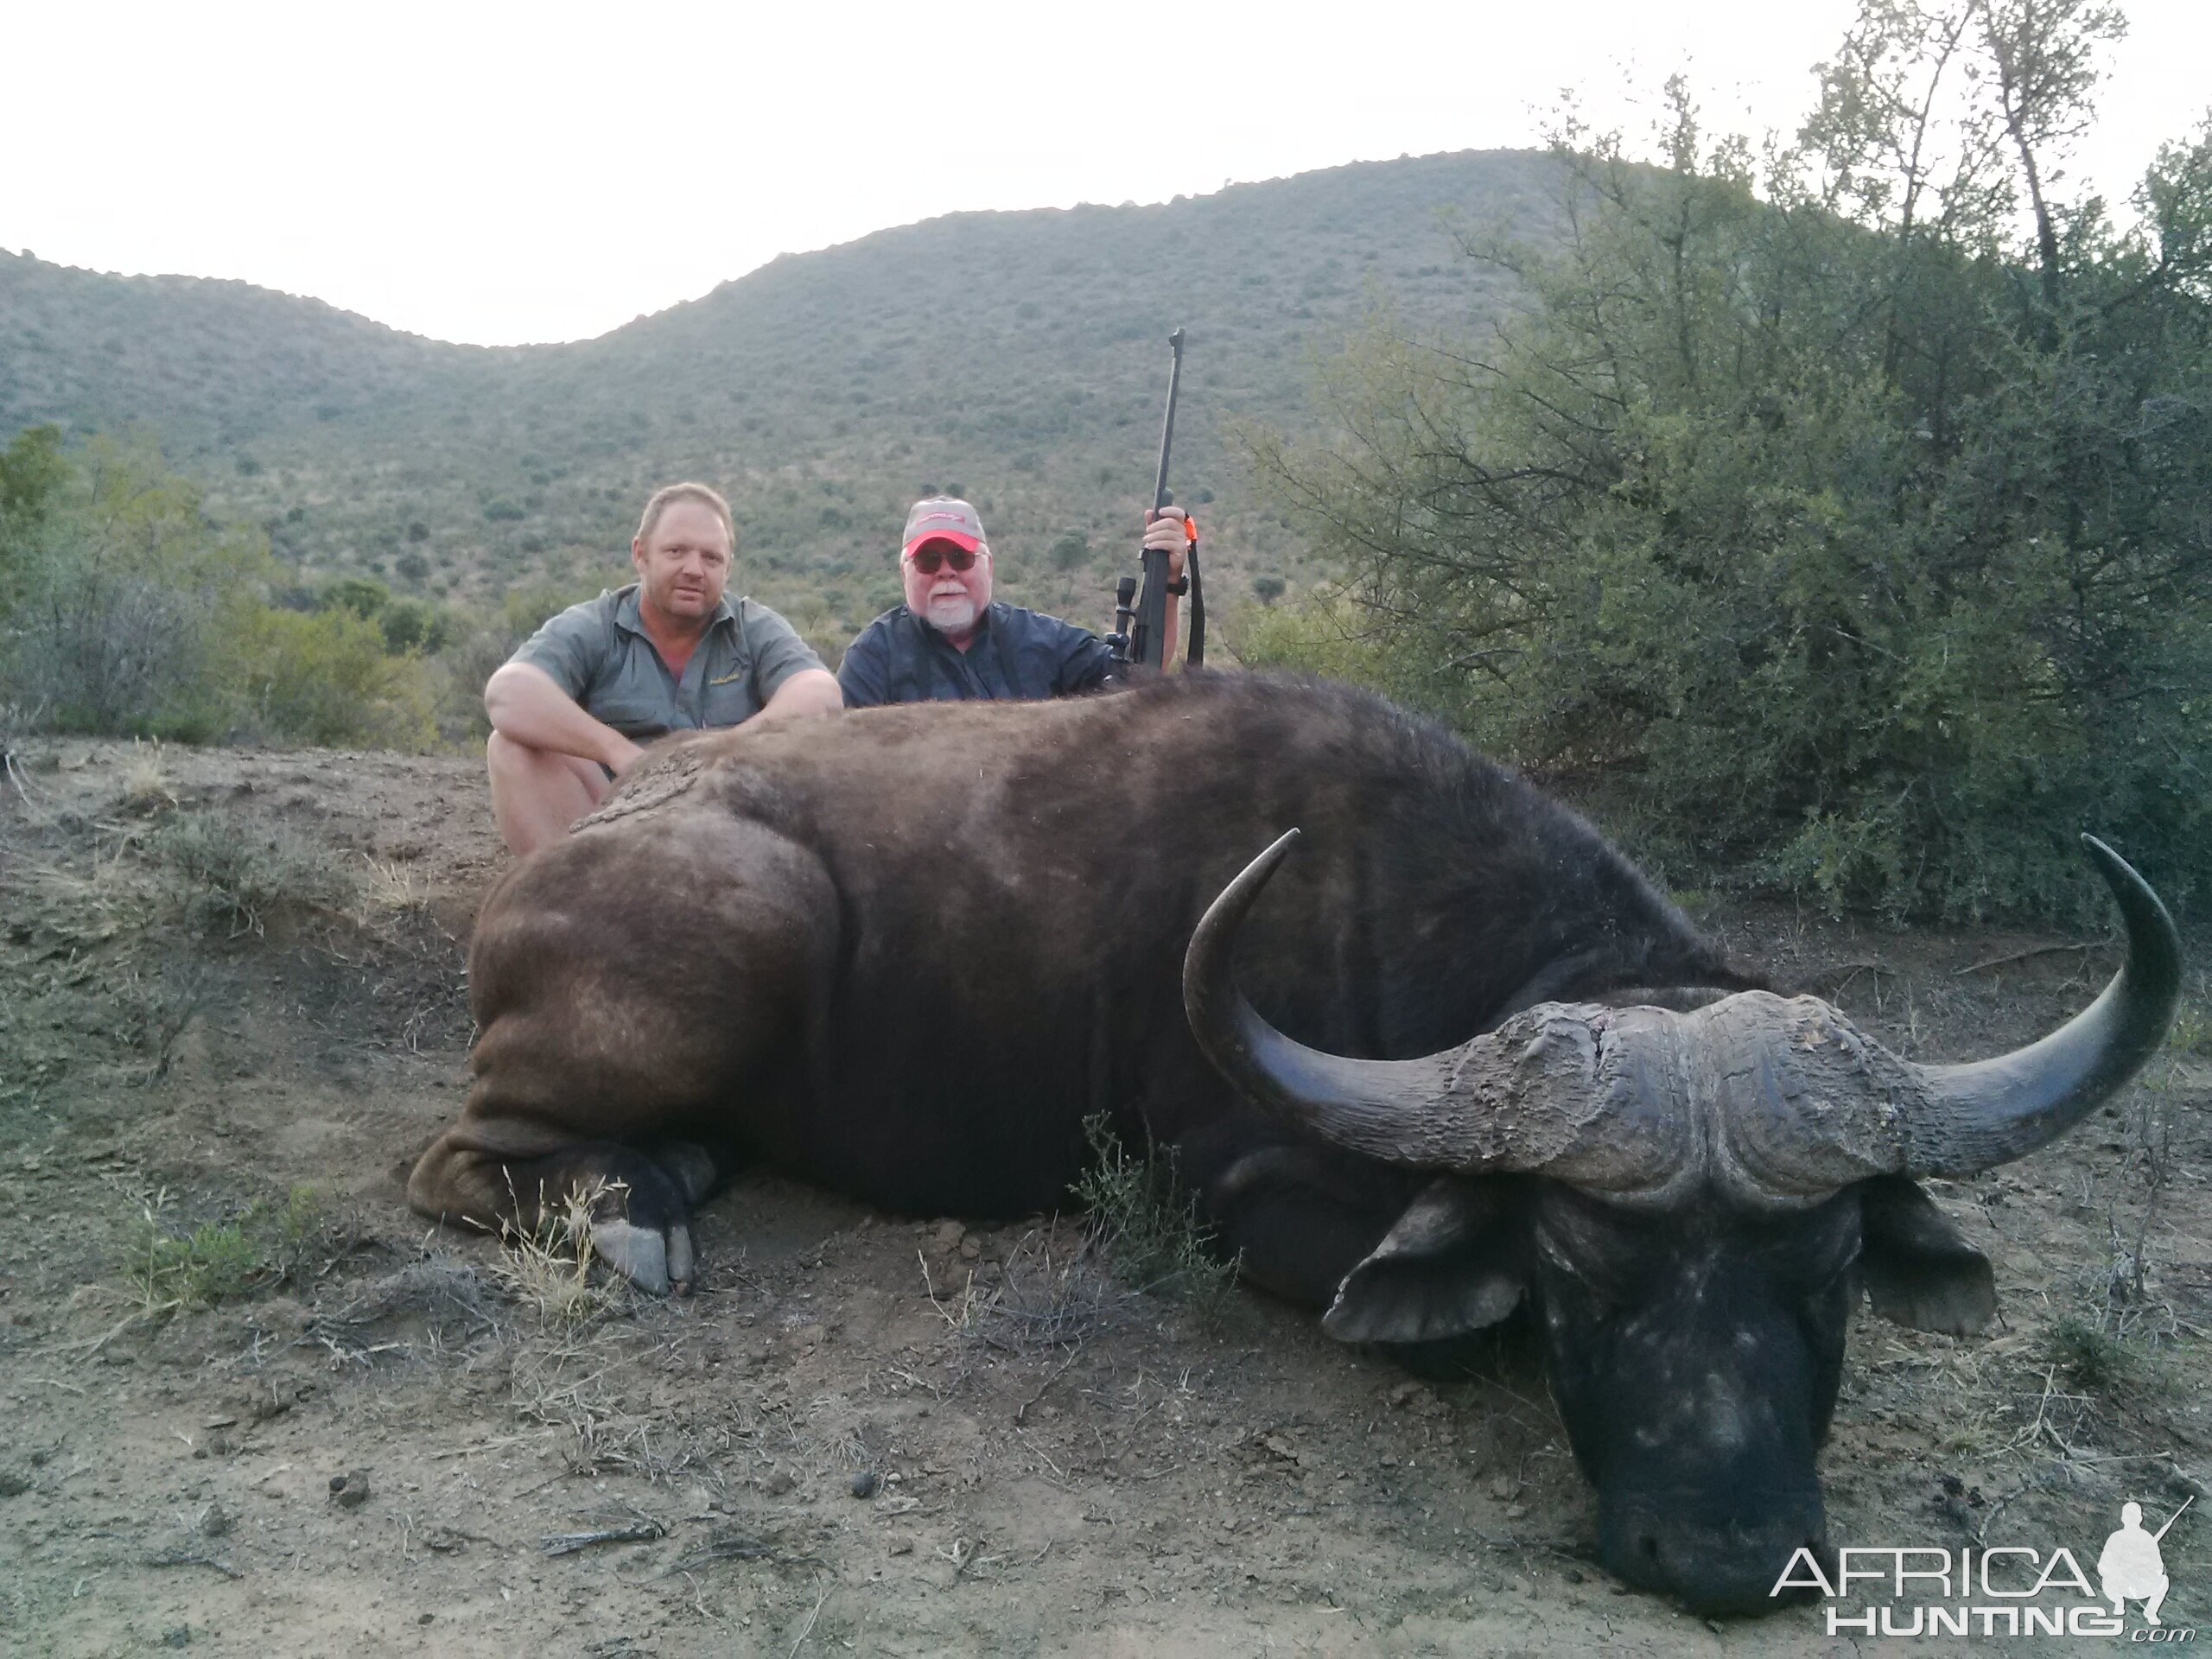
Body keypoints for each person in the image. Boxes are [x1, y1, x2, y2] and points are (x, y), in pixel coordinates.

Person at [485, 481, 842, 855]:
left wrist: (720, 753)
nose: (694, 569)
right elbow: (508, 693)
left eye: (711, 558)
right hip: (610, 816)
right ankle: (569, 895)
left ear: (728, 567)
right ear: (641, 554)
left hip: (726, 817)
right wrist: (618, 752)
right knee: (509, 746)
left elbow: (820, 692)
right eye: (676, 551)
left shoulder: (752, 626)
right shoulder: (595, 624)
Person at [836, 494, 1188, 707]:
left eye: (961, 558)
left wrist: (1168, 582)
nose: (946, 573)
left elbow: (1141, 680)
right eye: (928, 561)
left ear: (988, 566)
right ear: (904, 574)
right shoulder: (871, 659)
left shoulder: (1045, 641)